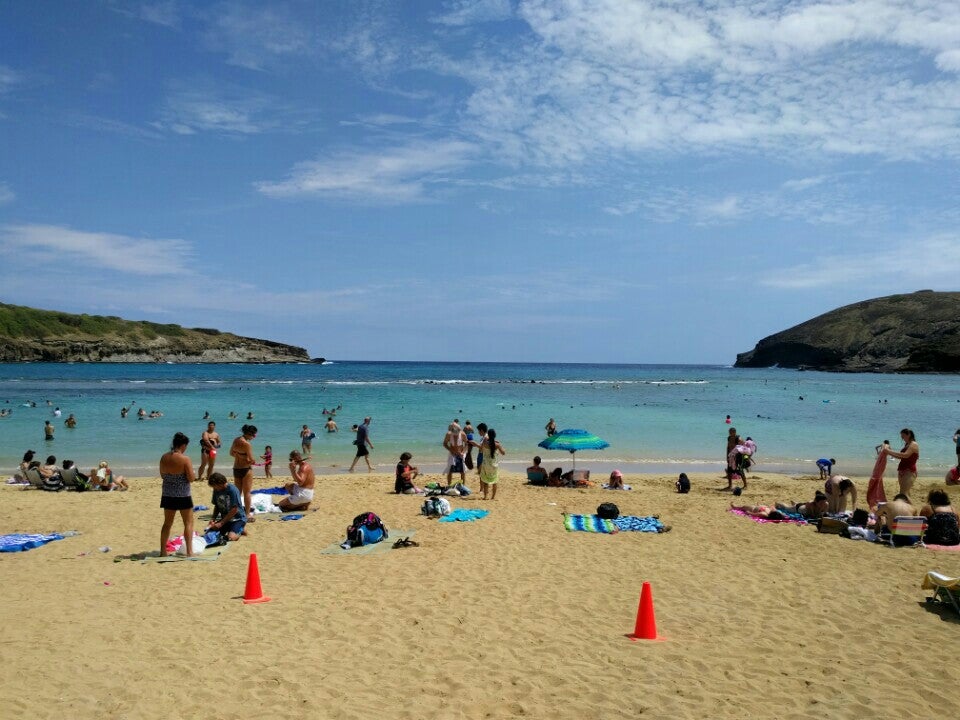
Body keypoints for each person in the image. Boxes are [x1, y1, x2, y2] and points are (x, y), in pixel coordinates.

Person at [159, 432, 197, 557]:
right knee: (188, 523)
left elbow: (163, 475)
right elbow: (191, 478)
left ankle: (163, 552)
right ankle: (189, 552)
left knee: (167, 523)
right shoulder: (185, 459)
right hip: (183, 495)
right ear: (183, 445)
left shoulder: (164, 457)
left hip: (168, 494)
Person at [206, 472, 246, 541]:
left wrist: (221, 523)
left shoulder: (232, 490)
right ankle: (232, 529)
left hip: (237, 518)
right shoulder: (216, 490)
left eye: (214, 486)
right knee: (209, 532)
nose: (214, 488)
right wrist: (213, 519)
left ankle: (240, 530)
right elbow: (217, 506)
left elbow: (234, 509)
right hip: (226, 519)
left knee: (231, 537)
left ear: (220, 484)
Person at [230, 425, 258, 521]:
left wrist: (239, 455)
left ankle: (236, 512)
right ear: (250, 434)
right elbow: (250, 460)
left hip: (236, 468)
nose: (253, 438)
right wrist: (253, 461)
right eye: (253, 436)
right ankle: (247, 514)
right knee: (247, 493)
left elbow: (231, 453)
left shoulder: (236, 440)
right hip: (246, 469)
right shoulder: (247, 444)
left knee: (237, 493)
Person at [883, 428, 919, 497]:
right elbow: (900, 457)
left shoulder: (914, 444)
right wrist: (889, 453)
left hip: (909, 471)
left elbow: (905, 455)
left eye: (903, 436)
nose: (902, 439)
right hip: (902, 470)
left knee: (903, 494)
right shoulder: (907, 444)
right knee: (905, 493)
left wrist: (889, 451)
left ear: (908, 435)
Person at [479, 428, 505, 500]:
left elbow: (481, 447)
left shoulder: (485, 442)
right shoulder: (497, 444)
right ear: (495, 435)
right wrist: (499, 444)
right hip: (494, 465)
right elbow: (503, 453)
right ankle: (492, 497)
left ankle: (485, 496)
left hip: (486, 464)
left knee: (485, 481)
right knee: (494, 481)